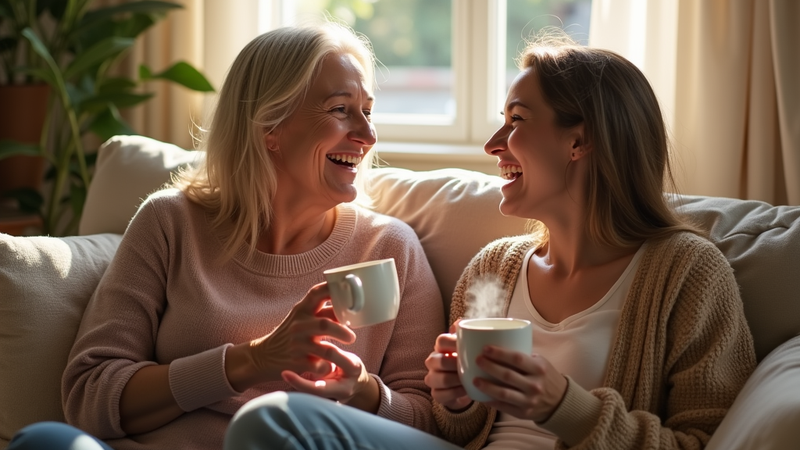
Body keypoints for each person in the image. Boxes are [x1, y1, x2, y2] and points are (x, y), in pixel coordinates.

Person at [221, 30, 757, 450]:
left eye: (517, 121)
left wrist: (563, 406)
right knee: (275, 422)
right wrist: (453, 404)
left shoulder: (687, 273)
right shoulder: (494, 268)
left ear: (580, 140)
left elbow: (706, 442)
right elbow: (455, 432)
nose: (493, 143)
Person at [8, 22, 445, 450]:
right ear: (270, 126)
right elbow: (89, 394)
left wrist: (363, 391)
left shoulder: (389, 249)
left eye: (367, 111)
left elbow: (429, 421)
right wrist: (250, 362)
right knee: (43, 441)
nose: (368, 135)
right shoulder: (170, 223)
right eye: (340, 109)